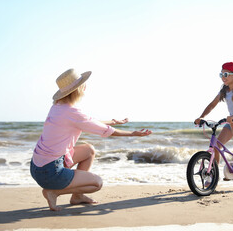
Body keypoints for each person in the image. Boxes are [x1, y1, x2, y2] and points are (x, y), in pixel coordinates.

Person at [30, 68, 152, 211]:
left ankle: (77, 196)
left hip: (37, 167)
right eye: (82, 84)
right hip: (50, 172)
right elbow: (105, 131)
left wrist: (113, 121)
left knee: (88, 150)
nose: (85, 87)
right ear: (78, 89)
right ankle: (54, 192)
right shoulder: (72, 112)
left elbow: (88, 121)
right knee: (97, 183)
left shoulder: (57, 107)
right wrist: (133, 134)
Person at [194, 62, 233, 166]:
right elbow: (212, 104)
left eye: (225, 74)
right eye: (221, 75)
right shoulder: (224, 90)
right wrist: (202, 117)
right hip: (232, 121)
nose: (223, 77)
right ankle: (213, 175)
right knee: (216, 146)